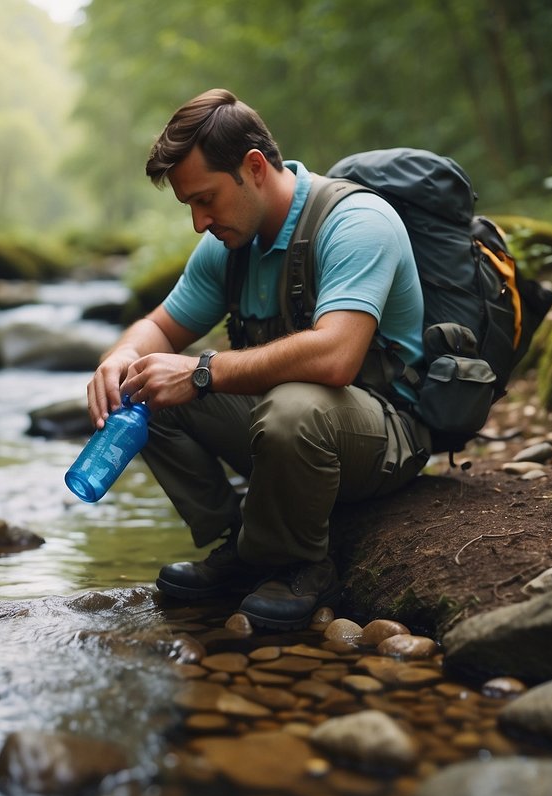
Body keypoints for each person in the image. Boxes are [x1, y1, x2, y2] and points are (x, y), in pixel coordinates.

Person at [84, 88, 432, 630]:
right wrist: (120, 356)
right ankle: (240, 545)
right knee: (143, 383)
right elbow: (158, 327)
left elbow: (337, 357)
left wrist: (203, 371)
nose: (199, 222)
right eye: (189, 206)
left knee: (289, 407)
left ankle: (298, 564)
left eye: (206, 199)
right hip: (295, 427)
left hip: (385, 436)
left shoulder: (358, 222)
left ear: (254, 168)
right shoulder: (228, 246)